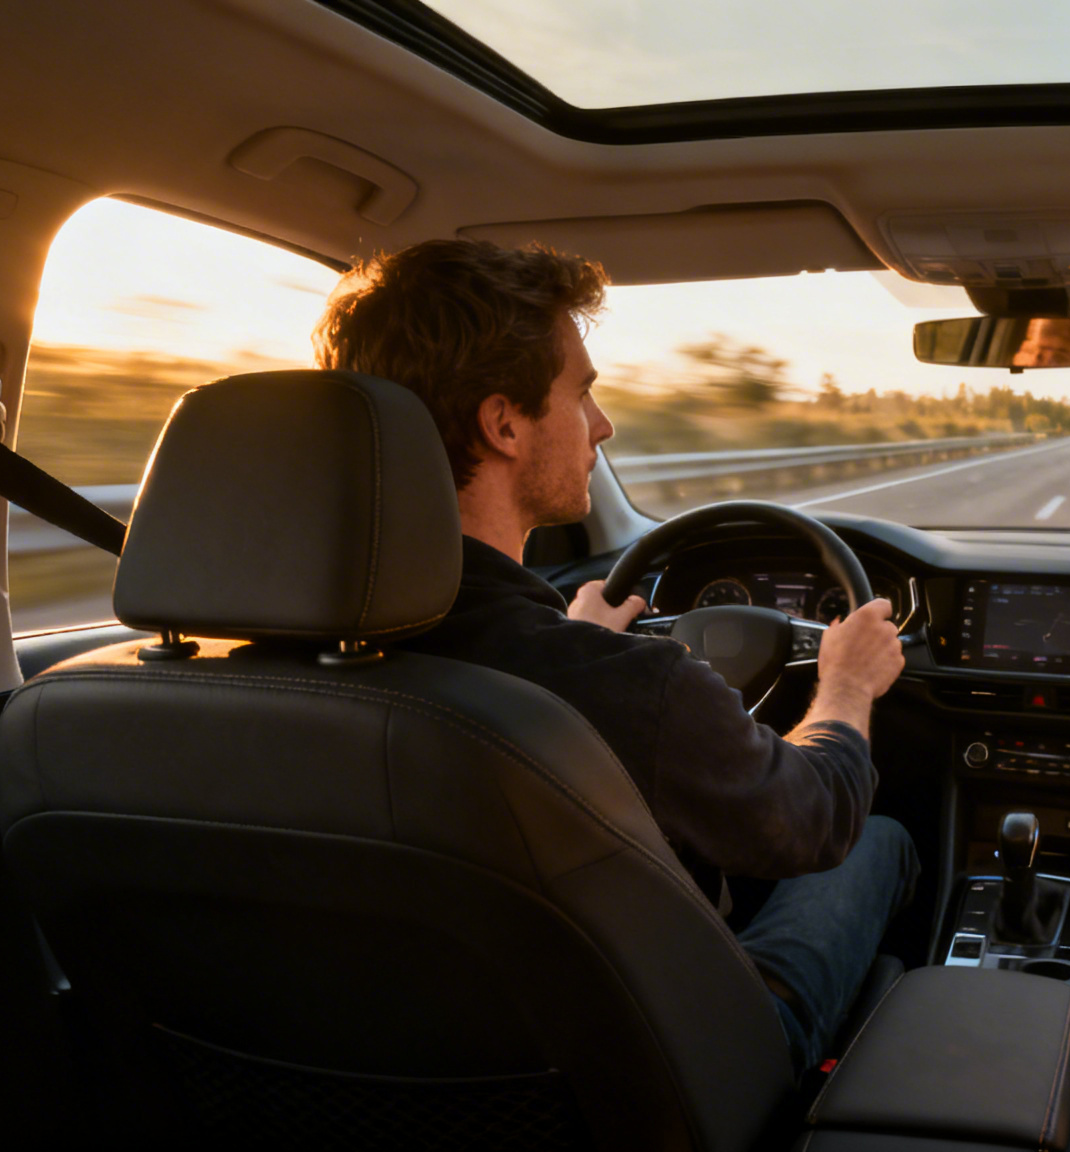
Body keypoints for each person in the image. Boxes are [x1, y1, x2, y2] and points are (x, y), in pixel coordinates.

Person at [313, 238, 917, 1071]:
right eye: (582, 393)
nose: (602, 424)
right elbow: (813, 818)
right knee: (878, 839)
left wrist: (576, 639)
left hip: (356, 1071)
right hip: (663, 1080)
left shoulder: (223, 673)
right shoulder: (623, 689)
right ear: (503, 423)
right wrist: (846, 686)